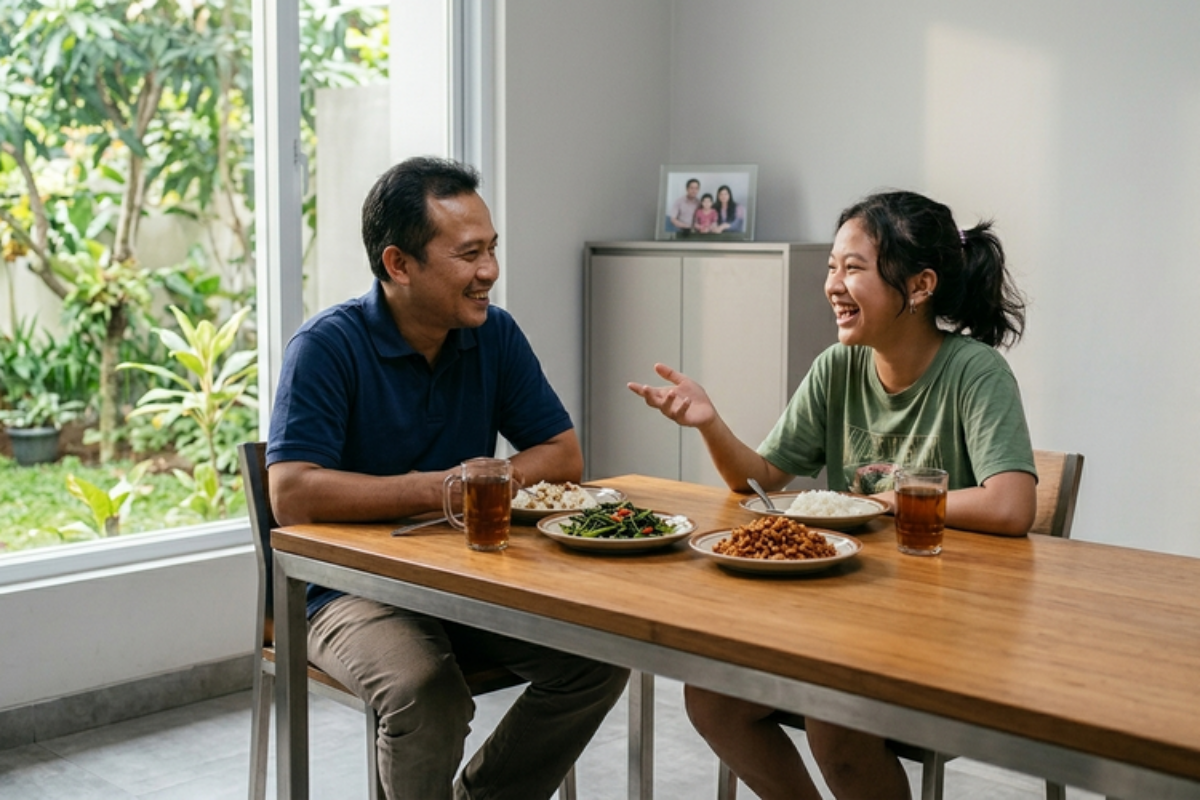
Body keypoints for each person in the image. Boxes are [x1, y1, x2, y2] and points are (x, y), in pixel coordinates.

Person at [628, 189, 1037, 800]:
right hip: (847, 615)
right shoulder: (836, 369)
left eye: (854, 268)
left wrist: (886, 501)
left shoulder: (974, 372)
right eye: (831, 267)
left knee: (833, 718)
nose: (834, 285)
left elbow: (1011, 505)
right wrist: (710, 422)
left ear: (920, 286)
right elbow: (762, 481)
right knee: (712, 698)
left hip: (947, 627)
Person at [267, 156, 629, 800]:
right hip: (348, 591)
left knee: (595, 660)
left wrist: (487, 478)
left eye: (491, 249)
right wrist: (447, 487)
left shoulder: (494, 334)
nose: (489, 271)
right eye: (468, 255)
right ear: (398, 264)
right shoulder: (325, 346)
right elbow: (291, 493)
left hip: (466, 579)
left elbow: (562, 453)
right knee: (424, 693)